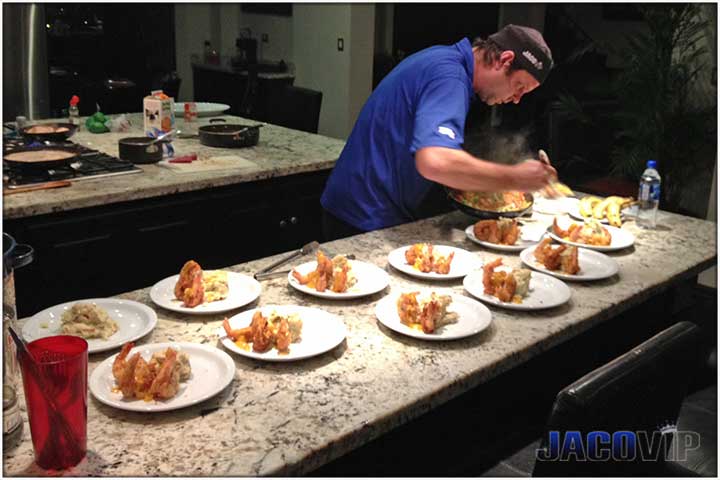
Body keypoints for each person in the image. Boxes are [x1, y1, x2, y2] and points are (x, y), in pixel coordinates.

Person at [320, 24, 557, 240]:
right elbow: (434, 161)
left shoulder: (443, 58)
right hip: (362, 218)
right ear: (504, 61)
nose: (516, 100)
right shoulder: (450, 78)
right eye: (519, 87)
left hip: (358, 207)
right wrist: (515, 177)